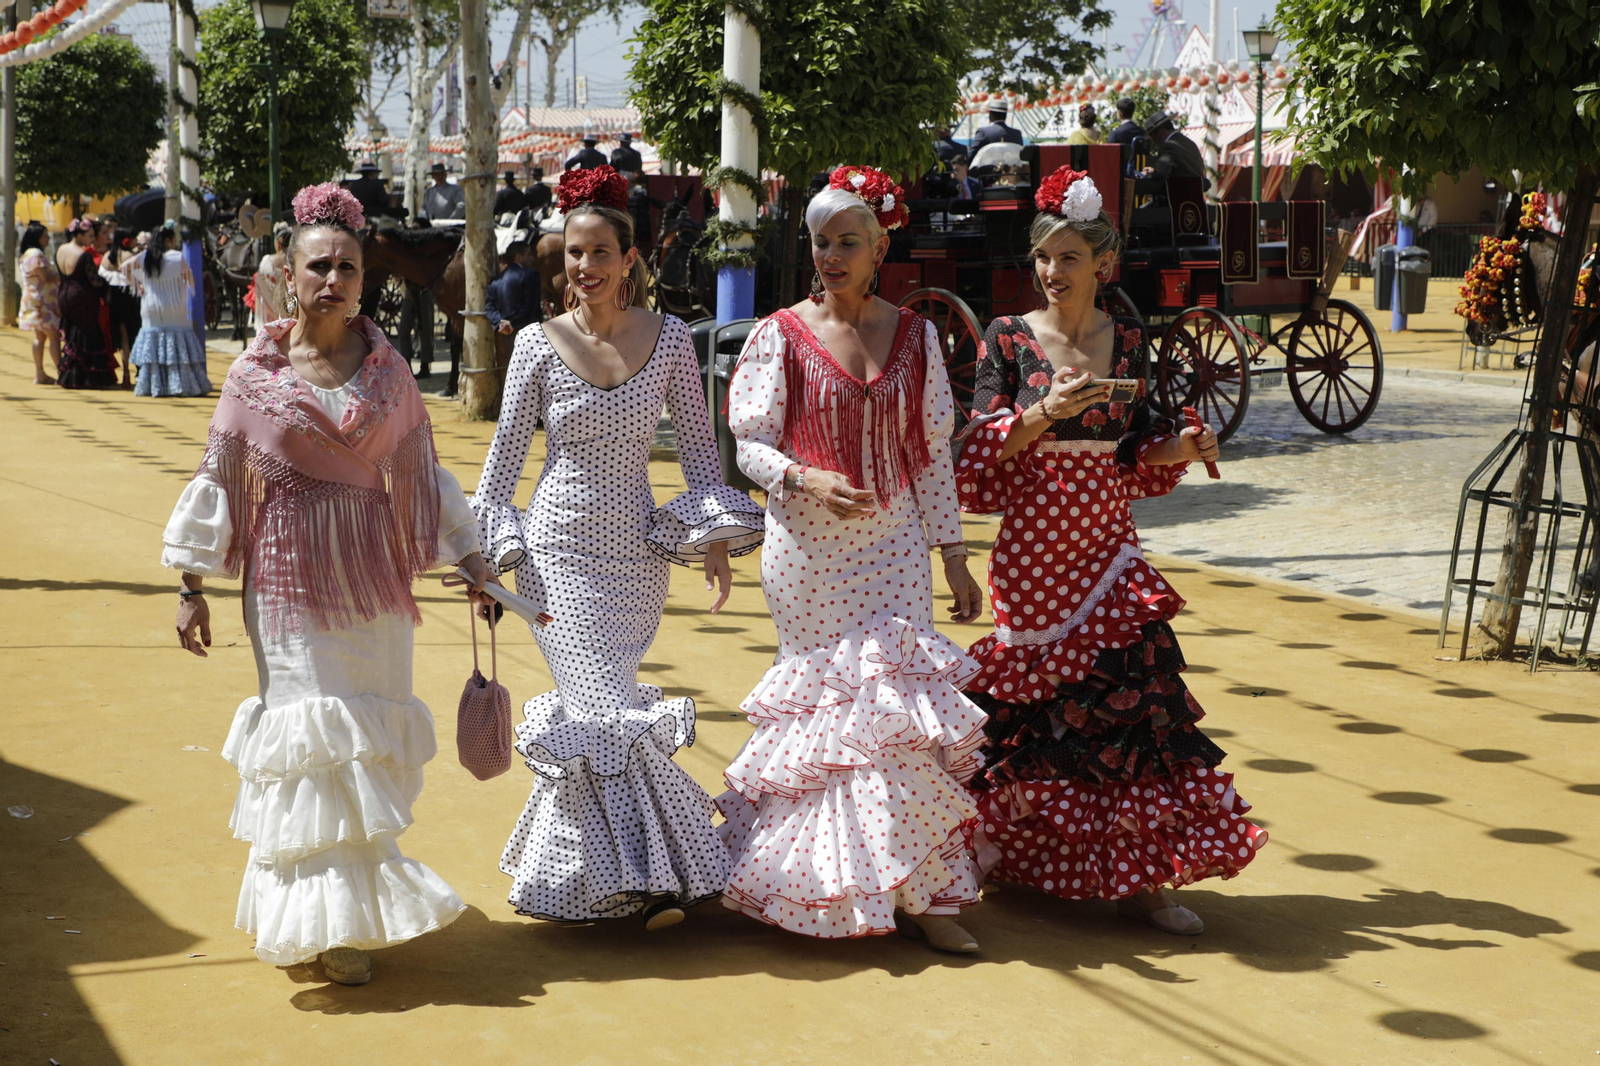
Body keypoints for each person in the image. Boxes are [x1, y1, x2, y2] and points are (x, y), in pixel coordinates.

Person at [165, 183, 489, 986]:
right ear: (289, 273)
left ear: (363, 279)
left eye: (348, 266)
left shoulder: (391, 372)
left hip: (374, 591)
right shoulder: (252, 377)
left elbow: (424, 474)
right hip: (286, 588)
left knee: (362, 749)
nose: (335, 279)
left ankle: (340, 915)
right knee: (311, 747)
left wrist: (472, 560)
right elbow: (218, 479)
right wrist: (191, 584)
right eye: (320, 265)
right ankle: (323, 924)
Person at [953, 166, 1265, 936]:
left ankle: (1146, 880)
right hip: (1032, 550)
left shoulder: (1126, 338)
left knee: (1136, 690)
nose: (1054, 272)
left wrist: (1183, 445)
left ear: (1102, 263)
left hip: (1109, 541)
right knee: (1045, 711)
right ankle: (1029, 856)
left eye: (1069, 257)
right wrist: (1039, 416)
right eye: (1044, 258)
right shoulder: (1008, 338)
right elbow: (973, 451)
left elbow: (1138, 448)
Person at [471, 164, 764, 929]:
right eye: (574, 253)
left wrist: (711, 544)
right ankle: (639, 877)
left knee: (610, 709)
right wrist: (487, 562)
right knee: (596, 712)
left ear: (629, 258)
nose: (586, 268)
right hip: (555, 557)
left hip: (635, 559)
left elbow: (702, 452)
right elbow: (500, 471)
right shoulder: (536, 345)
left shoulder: (669, 340)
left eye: (601, 253)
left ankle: (624, 880)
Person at [718, 166, 988, 953]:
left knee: (899, 716)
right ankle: (815, 884)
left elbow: (933, 456)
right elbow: (751, 445)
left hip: (897, 544)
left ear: (880, 248)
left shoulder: (917, 334)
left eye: (848, 242)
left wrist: (955, 554)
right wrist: (803, 477)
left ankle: (926, 895)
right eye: (821, 242)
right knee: (831, 723)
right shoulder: (780, 332)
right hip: (808, 552)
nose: (832, 256)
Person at [128, 222, 210, 397]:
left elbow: (124, 267)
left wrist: (138, 284)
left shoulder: (145, 257)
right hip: (174, 306)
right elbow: (191, 281)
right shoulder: (177, 257)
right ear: (168, 240)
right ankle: (179, 385)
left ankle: (153, 386)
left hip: (151, 307)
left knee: (154, 346)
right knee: (176, 346)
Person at [55, 218, 118, 389]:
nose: (91, 239)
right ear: (80, 235)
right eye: (89, 235)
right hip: (82, 297)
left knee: (72, 334)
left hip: (64, 294)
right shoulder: (83, 255)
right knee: (87, 334)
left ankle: (71, 375)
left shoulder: (60, 249)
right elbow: (95, 282)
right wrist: (108, 285)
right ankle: (88, 378)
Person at [18, 221, 60, 385]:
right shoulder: (36, 254)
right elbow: (46, 277)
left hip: (35, 300)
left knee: (40, 337)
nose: (48, 239)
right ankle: (60, 372)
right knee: (54, 336)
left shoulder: (27, 254)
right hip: (43, 302)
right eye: (44, 236)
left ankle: (40, 373)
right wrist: (62, 275)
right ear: (37, 238)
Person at [102, 227, 143, 387]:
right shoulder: (130, 257)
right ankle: (136, 371)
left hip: (114, 296)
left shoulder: (108, 256)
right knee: (133, 334)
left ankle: (125, 371)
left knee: (121, 335)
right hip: (130, 298)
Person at [486, 238, 542, 337]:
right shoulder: (531, 274)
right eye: (529, 254)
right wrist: (513, 324)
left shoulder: (495, 281)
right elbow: (530, 307)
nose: (532, 258)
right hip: (528, 335)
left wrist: (501, 322)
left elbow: (489, 308)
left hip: (503, 335)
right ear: (518, 257)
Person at [1139, 111, 1205, 183]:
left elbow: (1159, 175)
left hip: (1179, 192)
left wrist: (1145, 175)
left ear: (1159, 133)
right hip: (1195, 192)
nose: (1153, 141)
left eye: (1152, 137)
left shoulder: (1168, 146)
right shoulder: (1190, 143)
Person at [253, 223, 291, 329]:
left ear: (278, 243)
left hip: (270, 321)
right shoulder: (296, 262)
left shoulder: (266, 262)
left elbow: (259, 290)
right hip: (291, 318)